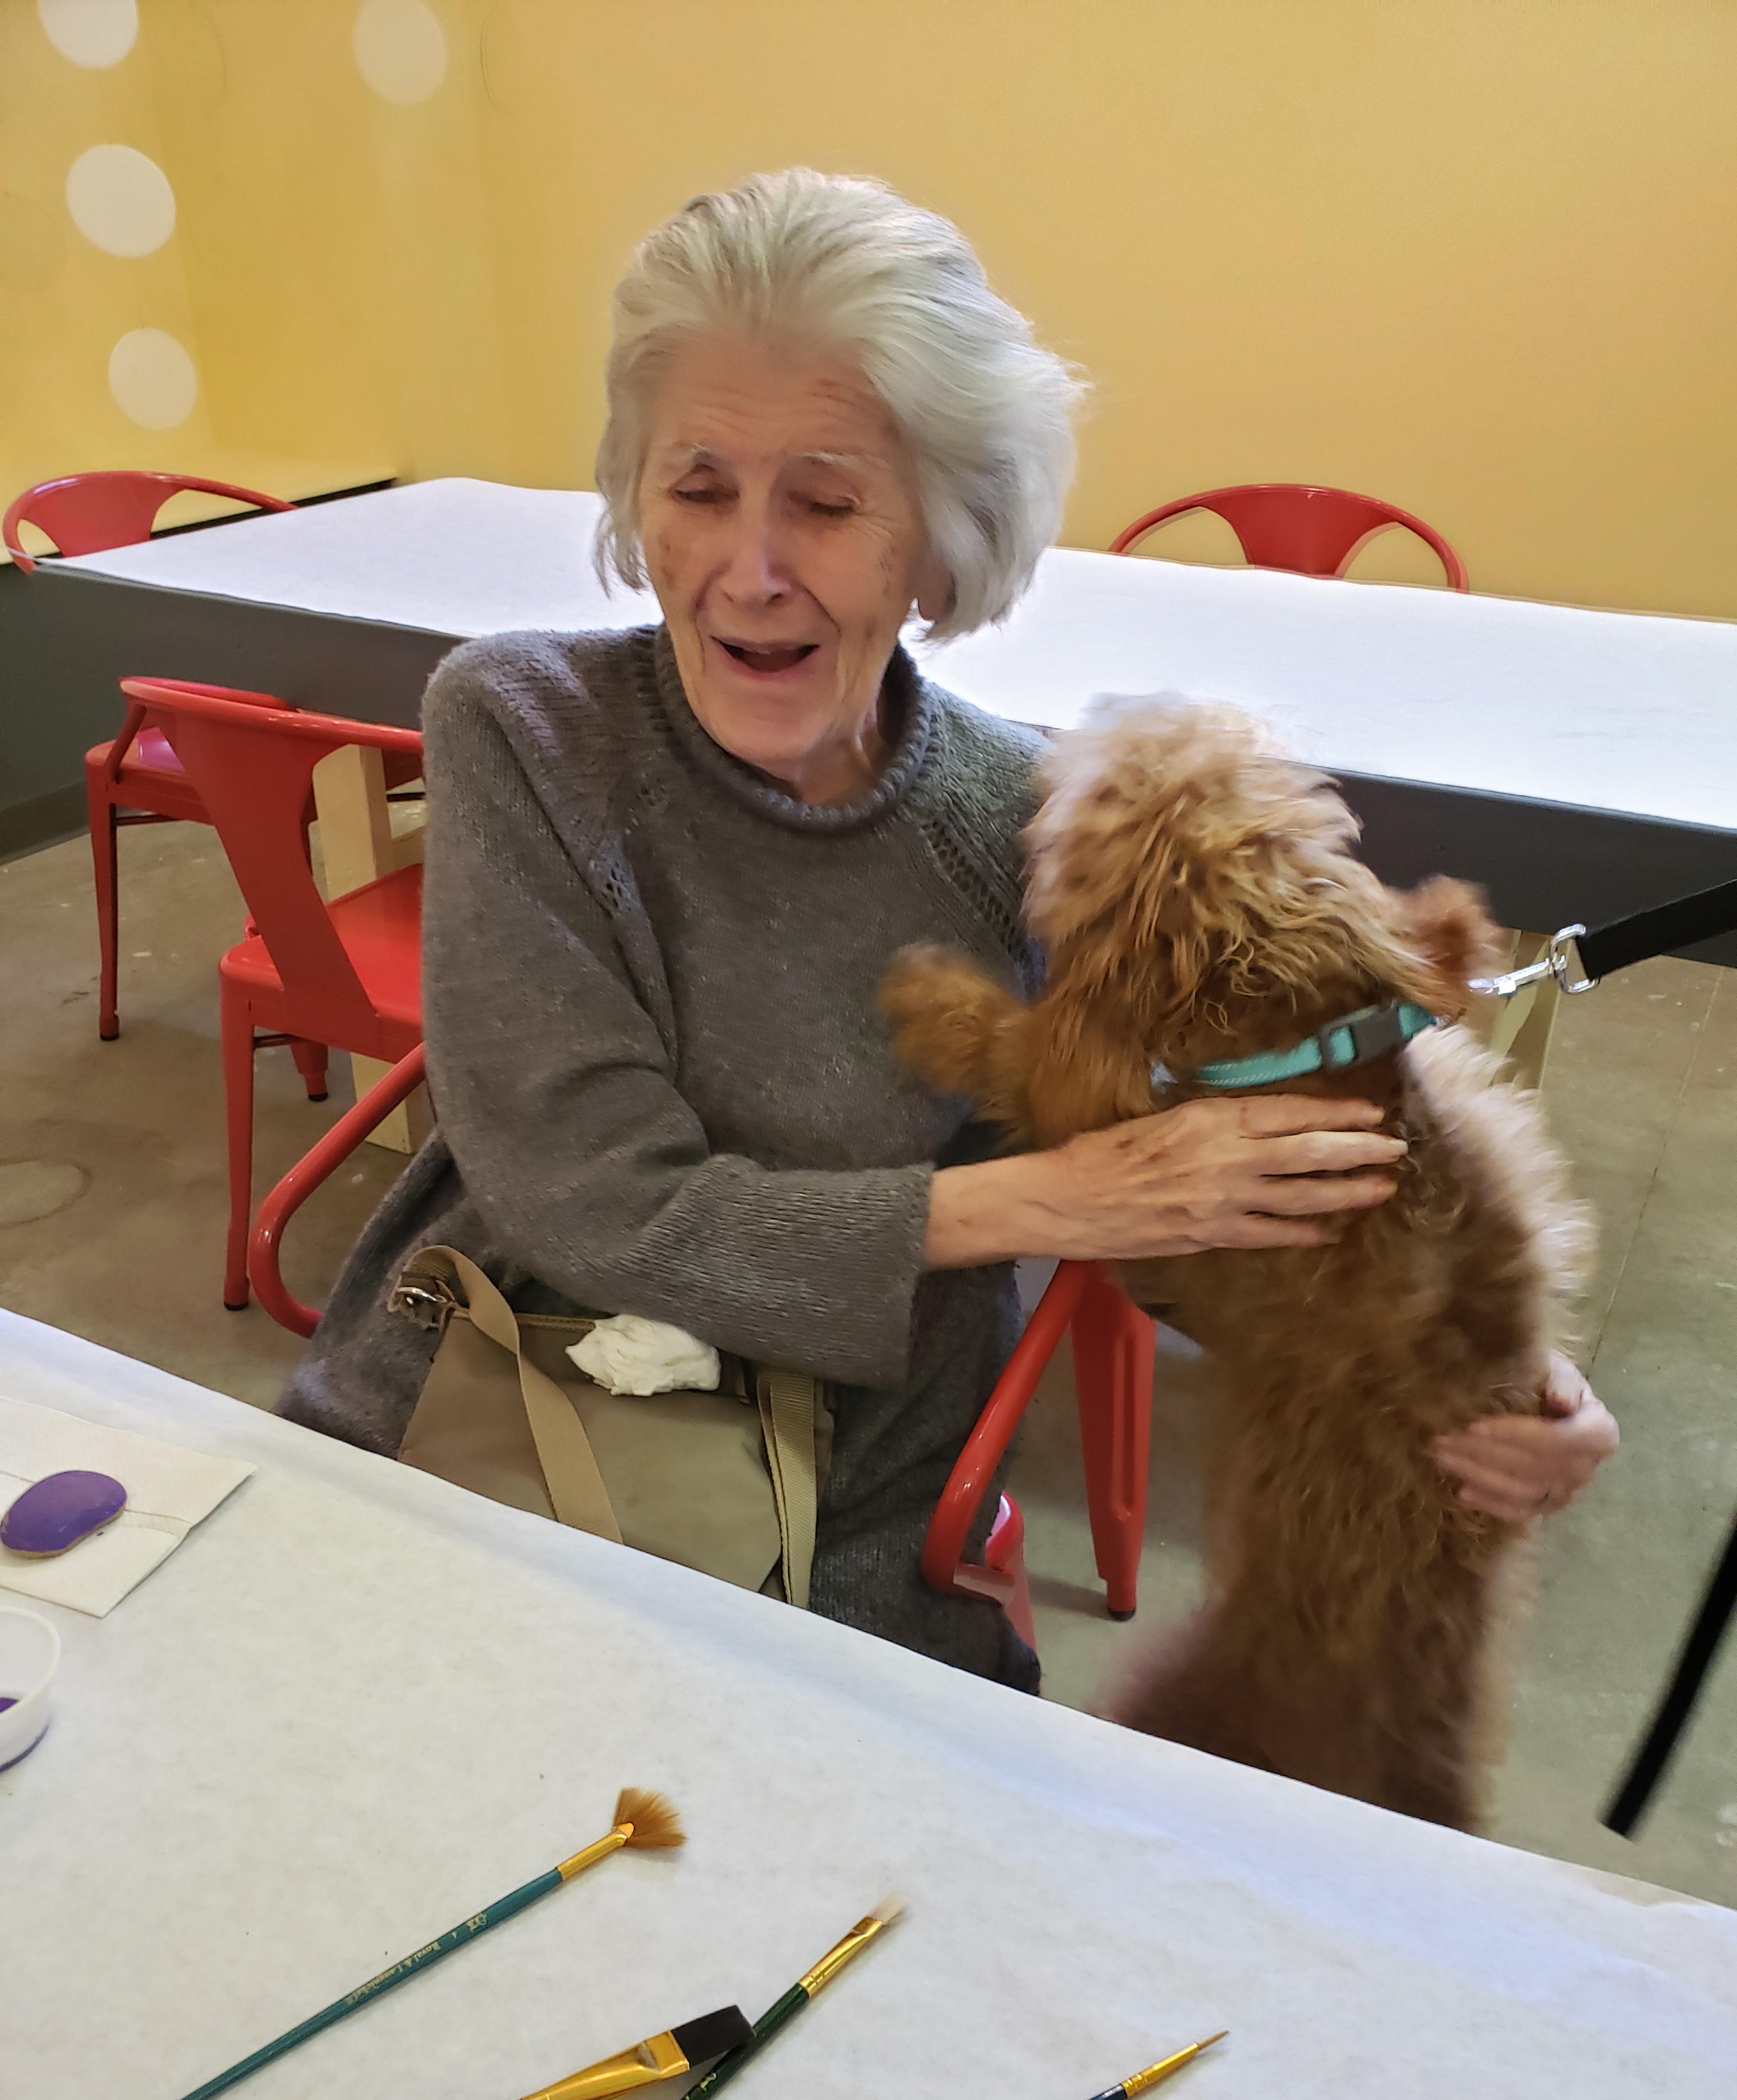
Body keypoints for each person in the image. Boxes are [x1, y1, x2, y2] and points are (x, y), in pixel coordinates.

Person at [280, 169, 1616, 1687]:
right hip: (487, 1425)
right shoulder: (526, 729)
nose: (750, 571)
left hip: (856, 1531)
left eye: (828, 502)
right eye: (698, 488)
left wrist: (1485, 1374)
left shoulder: (1041, 834)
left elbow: (1195, 1201)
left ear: (945, 536)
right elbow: (591, 1202)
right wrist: (1048, 1202)